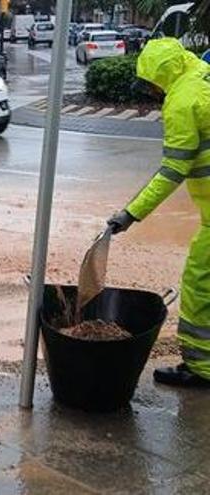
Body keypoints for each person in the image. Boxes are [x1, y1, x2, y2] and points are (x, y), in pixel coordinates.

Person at [107, 38, 210, 387]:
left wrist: (130, 214)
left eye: (151, 84)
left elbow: (173, 171)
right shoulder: (202, 73)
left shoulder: (182, 101)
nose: (152, 91)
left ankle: (202, 369)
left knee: (199, 285)